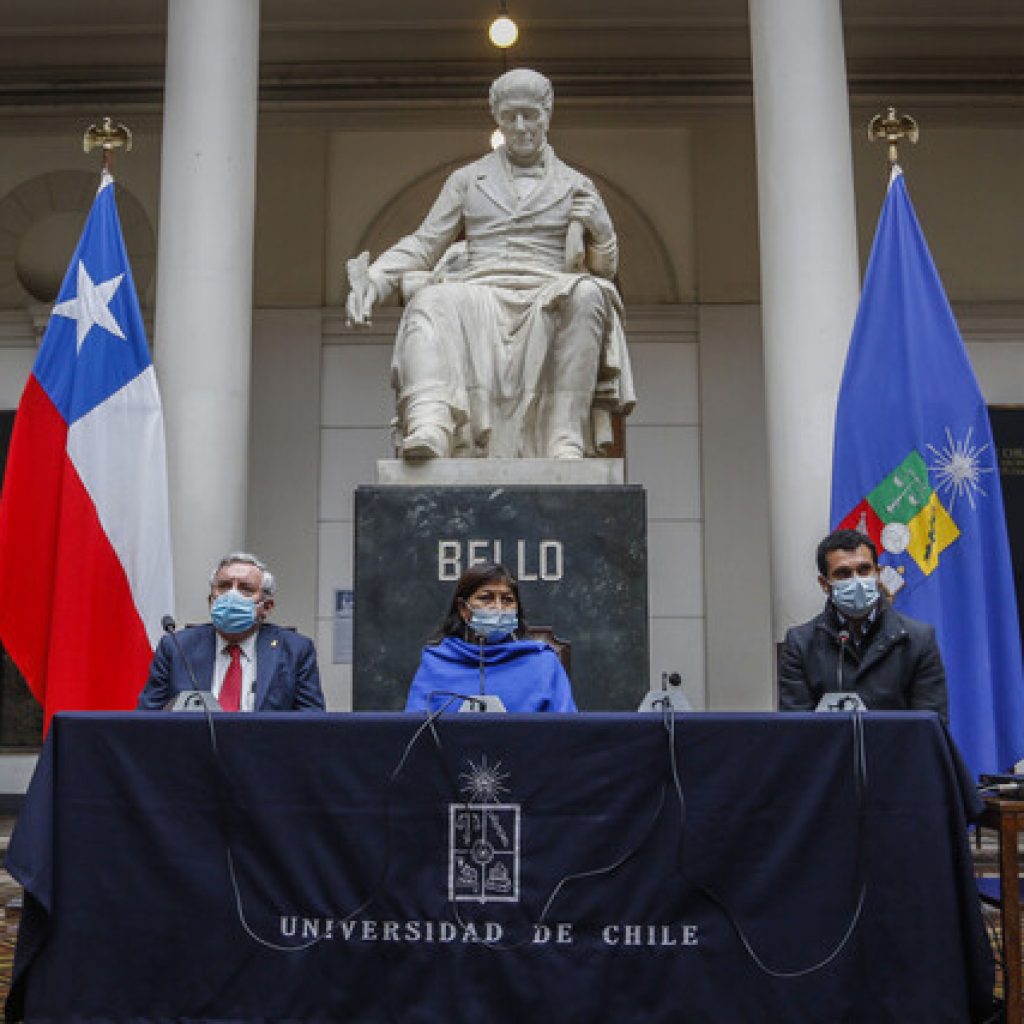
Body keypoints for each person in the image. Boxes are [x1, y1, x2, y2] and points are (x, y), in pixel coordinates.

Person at [345, 67, 635, 461]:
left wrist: (603, 231)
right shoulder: (467, 180)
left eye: (530, 115)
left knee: (589, 294)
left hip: (547, 288)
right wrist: (375, 281)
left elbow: (603, 269)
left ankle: (563, 435)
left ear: (547, 114)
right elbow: (424, 244)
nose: (520, 126)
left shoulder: (576, 185)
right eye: (509, 116)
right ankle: (432, 422)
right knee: (430, 303)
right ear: (496, 117)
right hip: (481, 287)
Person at [778, 529, 948, 719]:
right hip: (830, 748)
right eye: (843, 573)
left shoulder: (918, 640)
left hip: (896, 747)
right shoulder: (801, 644)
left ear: (877, 573)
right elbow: (795, 729)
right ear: (825, 584)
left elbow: (931, 726)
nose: (857, 580)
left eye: (864, 570)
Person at [137, 551, 325, 711]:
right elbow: (147, 718)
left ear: (266, 607)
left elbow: (312, 723)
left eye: (246, 589)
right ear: (211, 600)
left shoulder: (295, 650)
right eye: (224, 586)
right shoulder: (177, 647)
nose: (232, 595)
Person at [405, 562, 577, 713]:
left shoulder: (543, 664)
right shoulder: (437, 664)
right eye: (486, 598)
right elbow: (413, 734)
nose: (498, 607)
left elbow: (566, 735)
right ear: (463, 609)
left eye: (507, 599)